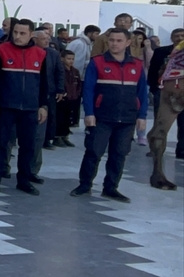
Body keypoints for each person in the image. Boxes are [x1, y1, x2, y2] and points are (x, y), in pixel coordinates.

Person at [71, 29, 148, 203]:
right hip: (101, 118)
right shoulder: (97, 62)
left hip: (127, 119)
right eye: (112, 40)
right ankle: (85, 185)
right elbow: (88, 90)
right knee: (93, 152)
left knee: (119, 154)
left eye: (119, 40)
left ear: (128, 43)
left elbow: (142, 92)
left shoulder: (136, 64)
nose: (114, 43)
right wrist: (89, 113)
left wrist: (141, 115)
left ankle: (111, 188)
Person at [0, 19, 50, 195]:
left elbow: (44, 83)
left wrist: (43, 105)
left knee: (28, 146)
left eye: (22, 33)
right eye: (15, 32)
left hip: (30, 108)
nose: (17, 36)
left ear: (31, 34)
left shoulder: (41, 54)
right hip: (4, 107)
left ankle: (24, 180)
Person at [147, 28, 184, 160]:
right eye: (176, 36)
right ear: (171, 38)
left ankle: (182, 150)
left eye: (182, 35)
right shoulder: (161, 52)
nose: (179, 38)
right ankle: (156, 149)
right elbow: (152, 71)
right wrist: (154, 89)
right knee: (160, 122)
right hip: (164, 92)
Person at [33, 30, 65, 155]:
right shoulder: (31, 52)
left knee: (50, 115)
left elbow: (59, 71)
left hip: (50, 89)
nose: (47, 41)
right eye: (43, 39)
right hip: (35, 89)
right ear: (35, 40)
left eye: (48, 39)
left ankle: (47, 139)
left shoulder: (53, 53)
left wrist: (60, 89)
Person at [55, 50, 83, 147]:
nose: (71, 61)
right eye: (68, 59)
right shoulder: (60, 70)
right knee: (60, 118)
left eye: (72, 59)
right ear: (62, 59)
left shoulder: (75, 71)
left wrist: (77, 93)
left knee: (68, 118)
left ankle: (65, 136)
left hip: (72, 98)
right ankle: (57, 137)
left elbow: (79, 83)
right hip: (62, 98)